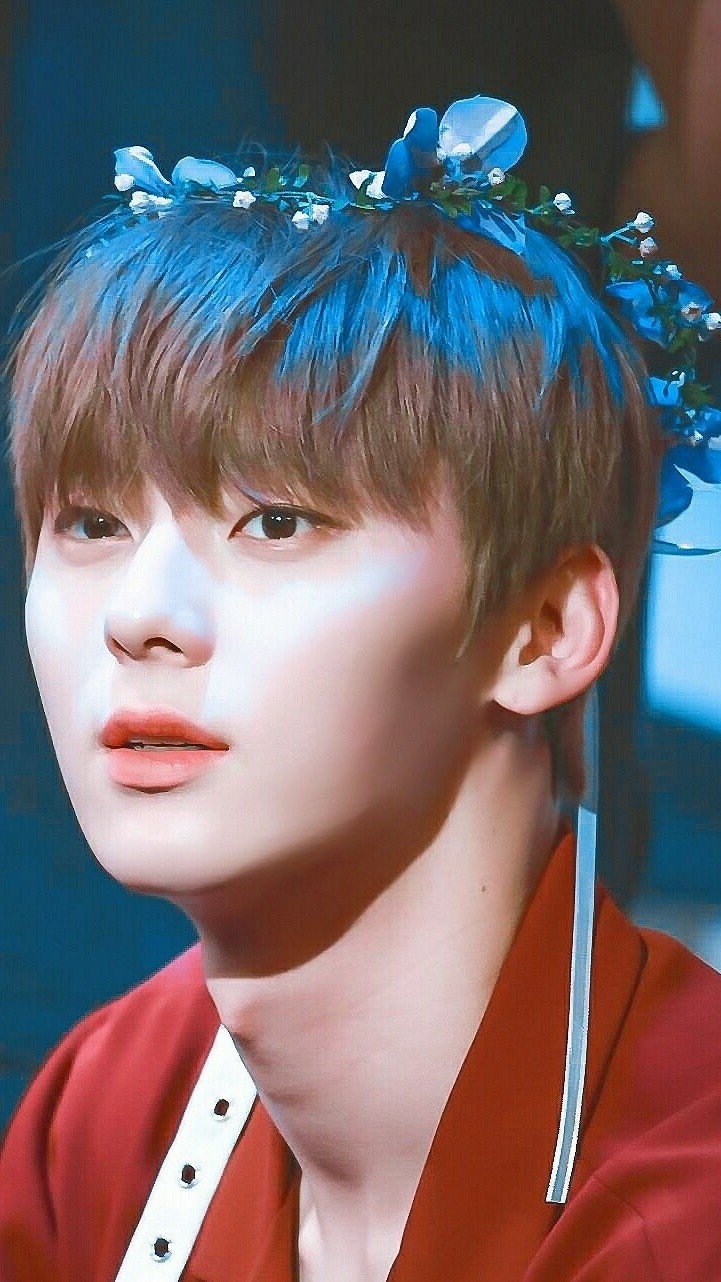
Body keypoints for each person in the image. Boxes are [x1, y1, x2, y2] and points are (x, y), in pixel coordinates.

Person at [1, 95, 721, 1282]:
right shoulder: (109, 1109)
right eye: (90, 522)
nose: (137, 615)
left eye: (277, 521)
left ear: (546, 627)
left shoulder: (684, 1215)